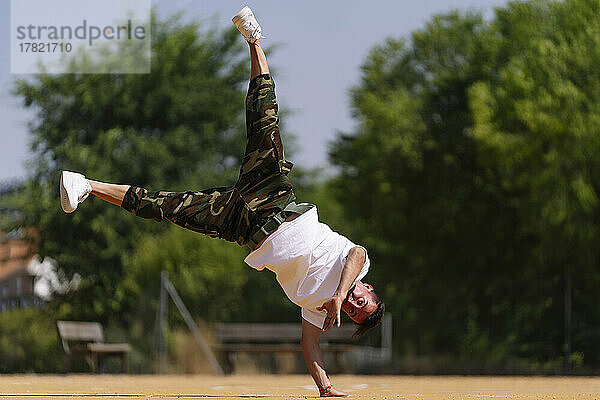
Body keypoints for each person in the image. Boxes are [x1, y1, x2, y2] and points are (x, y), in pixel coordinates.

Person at [59, 6, 385, 397]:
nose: (351, 304)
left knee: (167, 208)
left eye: (353, 312)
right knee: (263, 118)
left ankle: (85, 185)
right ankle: (255, 40)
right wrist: (338, 295)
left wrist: (325, 386)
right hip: (274, 198)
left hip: (243, 227)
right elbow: (357, 254)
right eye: (360, 302)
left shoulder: (319, 310)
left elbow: (309, 345)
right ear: (368, 289)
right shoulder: (356, 266)